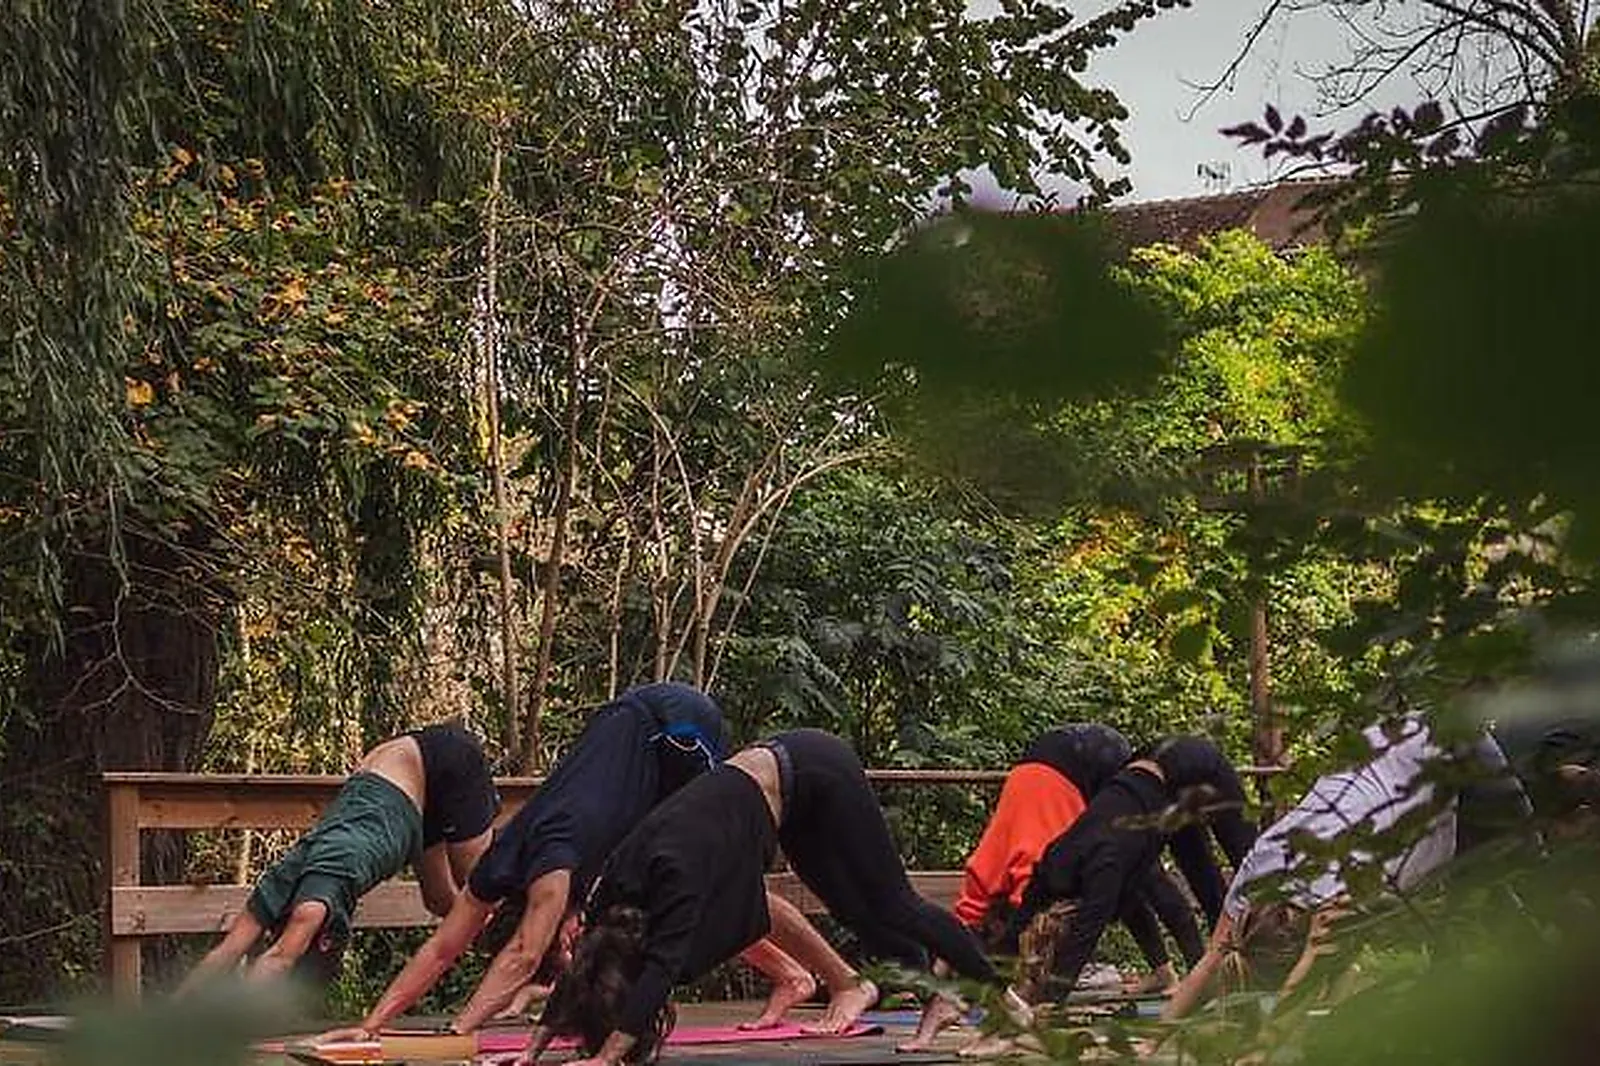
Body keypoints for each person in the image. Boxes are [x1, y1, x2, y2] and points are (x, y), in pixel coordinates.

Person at [520, 729, 998, 1066]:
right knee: (854, 913)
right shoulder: (607, 901)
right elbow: (582, 970)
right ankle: (939, 997)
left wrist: (606, 1059)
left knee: (894, 903)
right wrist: (530, 1051)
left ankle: (1005, 1002)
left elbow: (662, 971)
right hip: (783, 799)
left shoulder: (676, 879)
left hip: (815, 767)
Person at [319, 683, 730, 1041]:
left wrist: (461, 1028)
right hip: (629, 722)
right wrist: (372, 1024)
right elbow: (442, 947)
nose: (571, 944)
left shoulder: (551, 869)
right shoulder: (500, 864)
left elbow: (524, 954)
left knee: (698, 874)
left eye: (563, 944)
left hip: (679, 728)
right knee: (649, 876)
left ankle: (787, 971)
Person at [1161, 714, 1530, 1021]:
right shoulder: (1251, 886)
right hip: (1394, 749)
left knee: (1532, 875)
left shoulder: (1334, 892)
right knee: (1465, 912)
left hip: (1455, 749)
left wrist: (1260, 1051)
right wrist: (1155, 1040)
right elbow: (1210, 963)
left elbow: (1303, 986)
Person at [957, 736, 1255, 1057]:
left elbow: (1083, 939)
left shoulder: (1102, 870)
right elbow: (1016, 929)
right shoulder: (1053, 862)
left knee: (1250, 868)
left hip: (1198, 766)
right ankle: (1201, 992)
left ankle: (1263, 975)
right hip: (1156, 784)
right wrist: (993, 997)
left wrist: (1040, 1009)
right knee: (1201, 880)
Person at [178, 721, 497, 992]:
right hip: (400, 781)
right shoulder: (281, 880)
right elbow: (227, 952)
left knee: (485, 893)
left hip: (445, 761)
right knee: (442, 902)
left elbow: (279, 958)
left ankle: (529, 966)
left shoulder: (313, 908)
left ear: (324, 942)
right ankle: (513, 963)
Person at [954, 725, 1202, 994]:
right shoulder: (984, 878)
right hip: (1056, 759)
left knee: (1145, 874)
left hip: (1091, 762)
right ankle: (1166, 972)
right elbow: (960, 929)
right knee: (1125, 874)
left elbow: (1050, 930)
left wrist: (1034, 992)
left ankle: (1199, 970)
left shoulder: (1037, 874)